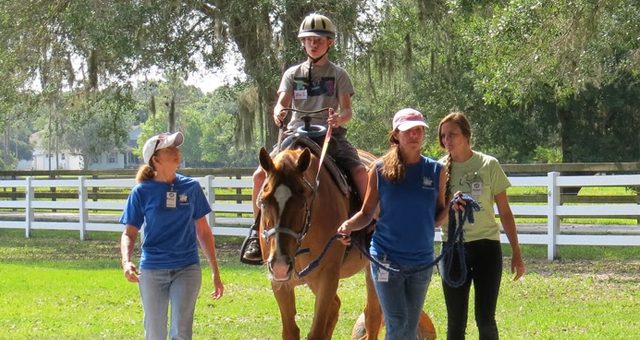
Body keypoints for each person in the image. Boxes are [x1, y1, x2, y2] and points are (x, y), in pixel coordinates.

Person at [241, 13, 368, 263]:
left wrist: (340, 119)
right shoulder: (292, 73)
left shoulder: (339, 74)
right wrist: (279, 111)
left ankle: (369, 229)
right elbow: (281, 103)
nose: (314, 43)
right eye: (309, 39)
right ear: (303, 42)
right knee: (259, 176)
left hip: (330, 136)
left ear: (330, 42)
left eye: (320, 39)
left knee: (361, 173)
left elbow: (348, 110)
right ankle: (257, 235)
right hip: (296, 134)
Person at [337, 108, 447, 339]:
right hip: (386, 259)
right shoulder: (379, 170)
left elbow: (436, 219)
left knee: (410, 323)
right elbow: (367, 213)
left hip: (421, 260)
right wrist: (348, 225)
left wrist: (454, 208)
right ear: (396, 134)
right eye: (409, 131)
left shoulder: (436, 170)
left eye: (419, 130)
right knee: (397, 323)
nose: (415, 135)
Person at [120, 131, 224, 340]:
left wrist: (215, 270)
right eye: (169, 149)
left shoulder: (191, 187)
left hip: (187, 268)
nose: (176, 152)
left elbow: (203, 231)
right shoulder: (141, 191)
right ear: (156, 160)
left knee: (181, 331)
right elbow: (129, 233)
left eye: (176, 148)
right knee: (155, 332)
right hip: (151, 270)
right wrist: (126, 261)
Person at [437, 111, 525, 340]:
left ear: (466, 135)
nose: (447, 140)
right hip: (453, 249)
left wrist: (516, 251)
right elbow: (434, 215)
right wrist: (450, 207)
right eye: (443, 136)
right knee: (455, 322)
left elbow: (505, 212)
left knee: (485, 319)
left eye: (452, 134)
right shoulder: (438, 169)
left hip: (487, 248)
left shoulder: (489, 164)